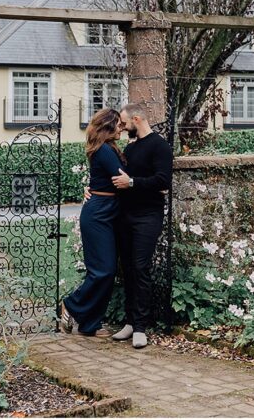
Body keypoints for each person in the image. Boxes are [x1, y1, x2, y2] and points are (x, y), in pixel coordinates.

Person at [109, 103, 173, 349]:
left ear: (137, 119)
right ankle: (129, 321)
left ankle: (140, 327)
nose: (122, 128)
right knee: (126, 268)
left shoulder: (160, 146)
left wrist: (133, 183)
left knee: (140, 267)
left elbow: (162, 180)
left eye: (124, 124)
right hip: (125, 215)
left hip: (148, 216)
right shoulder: (130, 147)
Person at [59, 108, 124, 337]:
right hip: (98, 214)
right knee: (102, 271)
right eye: (118, 124)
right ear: (107, 126)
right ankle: (70, 304)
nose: (121, 127)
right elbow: (122, 177)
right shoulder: (104, 150)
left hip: (107, 210)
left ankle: (90, 325)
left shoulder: (110, 148)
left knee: (105, 270)